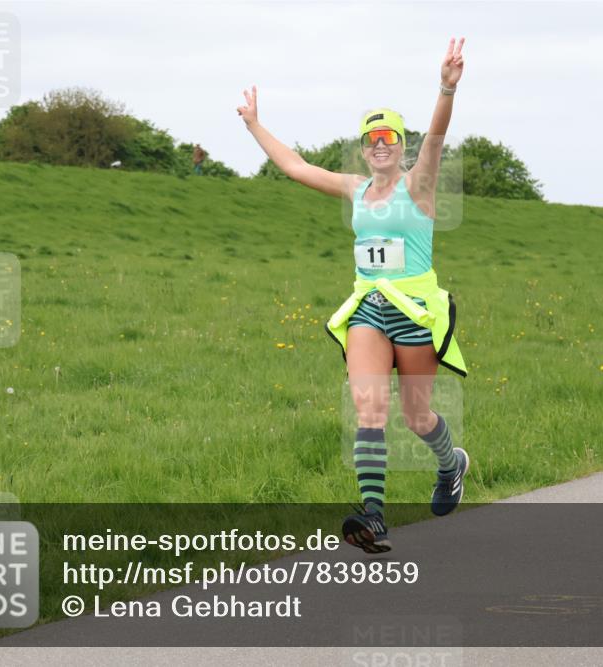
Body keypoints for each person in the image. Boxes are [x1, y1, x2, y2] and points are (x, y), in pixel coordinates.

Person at [238, 38, 470, 554]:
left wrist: (446, 88)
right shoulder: (355, 189)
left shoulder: (420, 186)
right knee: (368, 407)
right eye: (371, 138)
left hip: (415, 311)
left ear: (400, 144)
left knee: (416, 415)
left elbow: (436, 136)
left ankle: (451, 465)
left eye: (388, 136)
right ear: (364, 147)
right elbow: (297, 167)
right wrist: (255, 125)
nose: (379, 144)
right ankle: (374, 516)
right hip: (368, 310)